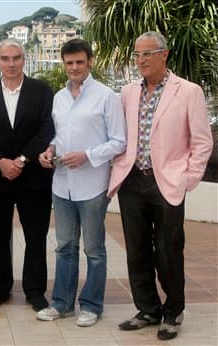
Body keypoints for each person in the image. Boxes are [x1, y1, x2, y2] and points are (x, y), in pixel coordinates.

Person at [108, 31, 213, 340]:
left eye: (147, 54)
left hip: (167, 181)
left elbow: (202, 141)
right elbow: (119, 135)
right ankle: (148, 308)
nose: (141, 60)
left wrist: (188, 177)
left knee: (168, 250)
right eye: (137, 55)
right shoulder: (127, 92)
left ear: (164, 55)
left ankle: (173, 310)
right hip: (132, 180)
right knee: (136, 249)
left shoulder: (189, 91)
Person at [36, 38, 126, 327]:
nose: (74, 67)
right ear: (63, 64)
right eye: (69, 62)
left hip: (92, 186)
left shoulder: (106, 96)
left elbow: (119, 141)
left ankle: (92, 305)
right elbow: (57, 135)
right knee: (64, 247)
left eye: (79, 62)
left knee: (94, 250)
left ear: (90, 62)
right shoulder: (58, 98)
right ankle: (61, 303)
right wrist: (48, 151)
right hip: (61, 184)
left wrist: (87, 155)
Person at [0, 38, 55, 312]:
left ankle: (35, 291)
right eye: (5, 59)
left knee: (35, 236)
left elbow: (46, 129)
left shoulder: (42, 91)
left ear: (24, 59)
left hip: (33, 177)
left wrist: (21, 160)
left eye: (16, 58)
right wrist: (0, 161)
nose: (11, 64)